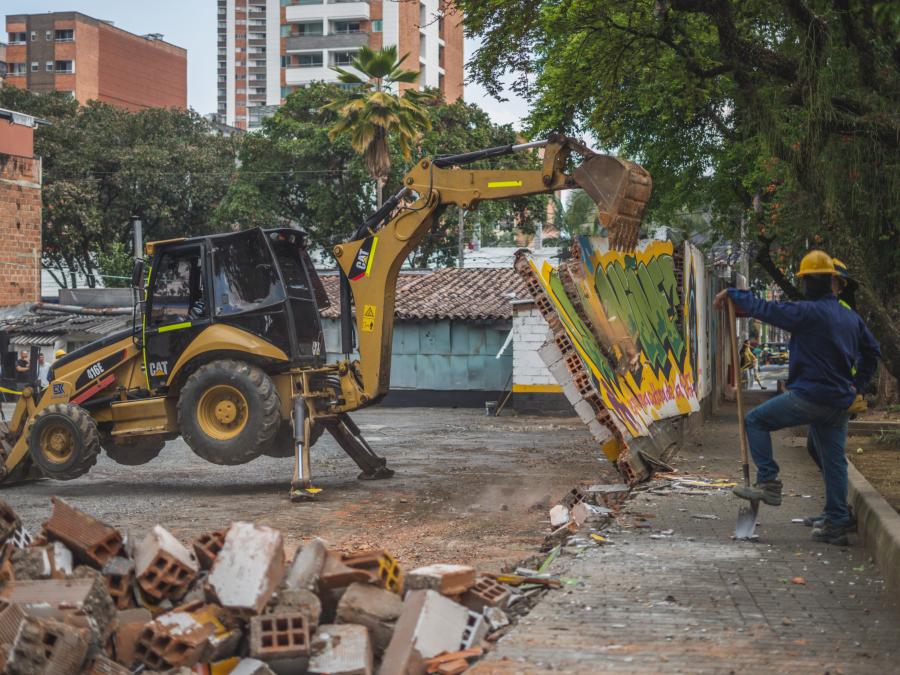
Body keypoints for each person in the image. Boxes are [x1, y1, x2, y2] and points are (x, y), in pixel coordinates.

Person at [713, 250, 881, 545]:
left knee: (755, 420)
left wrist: (734, 295)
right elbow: (873, 351)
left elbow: (768, 310)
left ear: (805, 283)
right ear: (832, 280)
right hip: (839, 402)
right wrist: (858, 384)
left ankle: (768, 480)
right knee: (831, 460)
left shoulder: (808, 312)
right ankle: (837, 519)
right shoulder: (849, 316)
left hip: (811, 397)